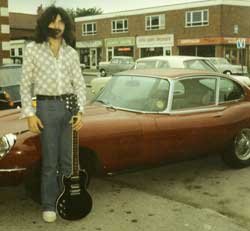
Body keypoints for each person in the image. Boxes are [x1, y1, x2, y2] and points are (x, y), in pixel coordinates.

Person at [20, 5, 86, 223]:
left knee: (68, 161)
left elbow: (80, 85)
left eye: (61, 22)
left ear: (65, 25)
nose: (56, 26)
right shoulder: (33, 49)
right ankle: (49, 204)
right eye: (52, 21)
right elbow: (25, 84)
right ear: (45, 24)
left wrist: (81, 112)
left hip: (69, 106)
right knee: (50, 162)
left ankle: (65, 199)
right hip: (46, 109)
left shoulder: (71, 53)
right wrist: (30, 114)